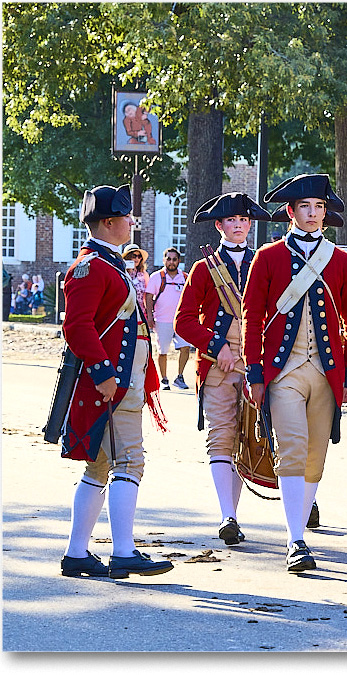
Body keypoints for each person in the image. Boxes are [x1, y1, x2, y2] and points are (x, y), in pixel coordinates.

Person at [243, 173, 347, 573]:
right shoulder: (268, 257)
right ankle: (295, 539)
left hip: (327, 373)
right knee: (292, 448)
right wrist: (255, 372)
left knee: (316, 456)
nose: (313, 215)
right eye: (306, 208)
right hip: (284, 372)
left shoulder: (342, 260)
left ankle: (301, 523)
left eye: (319, 207)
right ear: (291, 212)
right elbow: (252, 317)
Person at [58, 184, 172, 580]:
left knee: (99, 467)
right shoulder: (92, 266)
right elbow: (76, 326)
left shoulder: (109, 263)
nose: (131, 223)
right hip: (113, 384)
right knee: (129, 461)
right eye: (125, 217)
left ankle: (77, 553)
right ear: (109, 223)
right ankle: (123, 552)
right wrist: (104, 373)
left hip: (124, 381)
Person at [175, 192, 272, 547]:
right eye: (232, 221)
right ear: (219, 226)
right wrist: (218, 347)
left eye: (244, 221)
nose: (239, 226)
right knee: (222, 436)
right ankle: (227, 515)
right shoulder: (204, 269)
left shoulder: (265, 263)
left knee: (266, 436)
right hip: (218, 366)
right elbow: (183, 321)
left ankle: (302, 497)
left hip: (259, 361)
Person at [145, 247, 192, 390]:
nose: (171, 262)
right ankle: (164, 379)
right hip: (162, 320)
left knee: (185, 347)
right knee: (162, 351)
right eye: (169, 259)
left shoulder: (185, 277)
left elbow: (192, 296)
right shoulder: (156, 277)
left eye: (174, 259)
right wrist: (150, 316)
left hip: (181, 321)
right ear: (164, 260)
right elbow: (148, 296)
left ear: (179, 261)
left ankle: (179, 376)